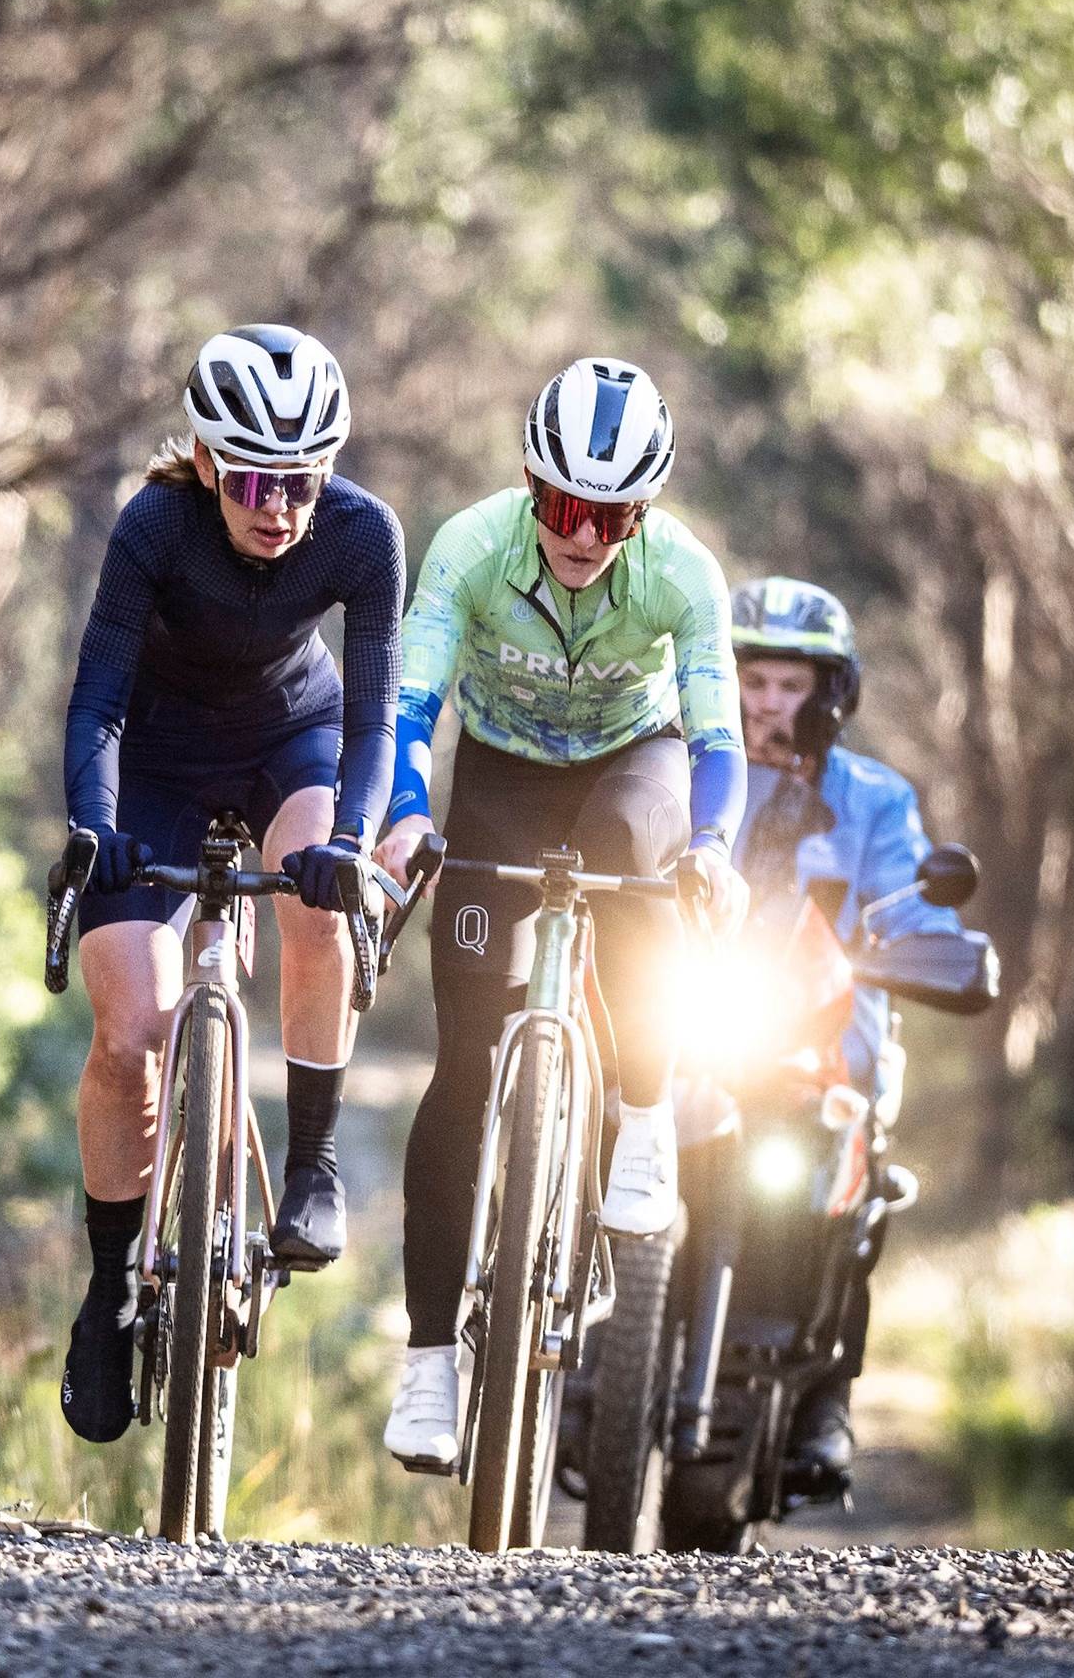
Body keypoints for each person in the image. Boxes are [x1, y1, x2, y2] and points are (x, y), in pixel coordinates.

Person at [370, 356, 748, 1469]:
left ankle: (639, 1116)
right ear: (531, 489)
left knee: (645, 859)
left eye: (612, 513)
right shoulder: (472, 547)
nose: (583, 533)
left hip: (634, 760)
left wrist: (716, 849)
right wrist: (403, 814)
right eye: (564, 505)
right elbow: (409, 705)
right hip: (500, 772)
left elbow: (717, 740)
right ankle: (431, 1365)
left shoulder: (685, 574)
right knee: (464, 1067)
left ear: (646, 512)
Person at [57, 324, 406, 1443]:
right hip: (154, 759)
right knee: (131, 1038)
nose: (281, 506)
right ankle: (113, 1284)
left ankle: (310, 1166)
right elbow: (100, 697)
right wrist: (96, 826)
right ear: (206, 464)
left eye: (303, 479)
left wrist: (349, 837)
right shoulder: (155, 524)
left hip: (290, 741)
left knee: (317, 897)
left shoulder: (363, 536)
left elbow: (372, 715)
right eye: (254, 478)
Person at [729, 575, 963, 1489]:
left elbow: (917, 912)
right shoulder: (686, 770)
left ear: (831, 693)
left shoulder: (874, 799)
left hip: (825, 1047)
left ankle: (826, 1399)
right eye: (754, 682)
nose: (770, 705)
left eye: (791, 686)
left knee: (853, 1191)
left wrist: (931, 948)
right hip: (692, 1022)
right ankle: (577, 1341)